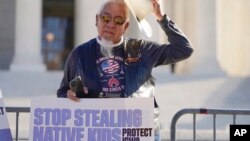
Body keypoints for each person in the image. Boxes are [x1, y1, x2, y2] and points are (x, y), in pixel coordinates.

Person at [57, 0, 193, 140]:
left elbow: (184, 49)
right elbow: (62, 92)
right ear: (97, 19)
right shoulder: (79, 55)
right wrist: (68, 95)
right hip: (101, 133)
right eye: (105, 18)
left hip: (139, 132)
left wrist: (161, 18)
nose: (111, 24)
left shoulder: (141, 49)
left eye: (118, 20)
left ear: (126, 26)